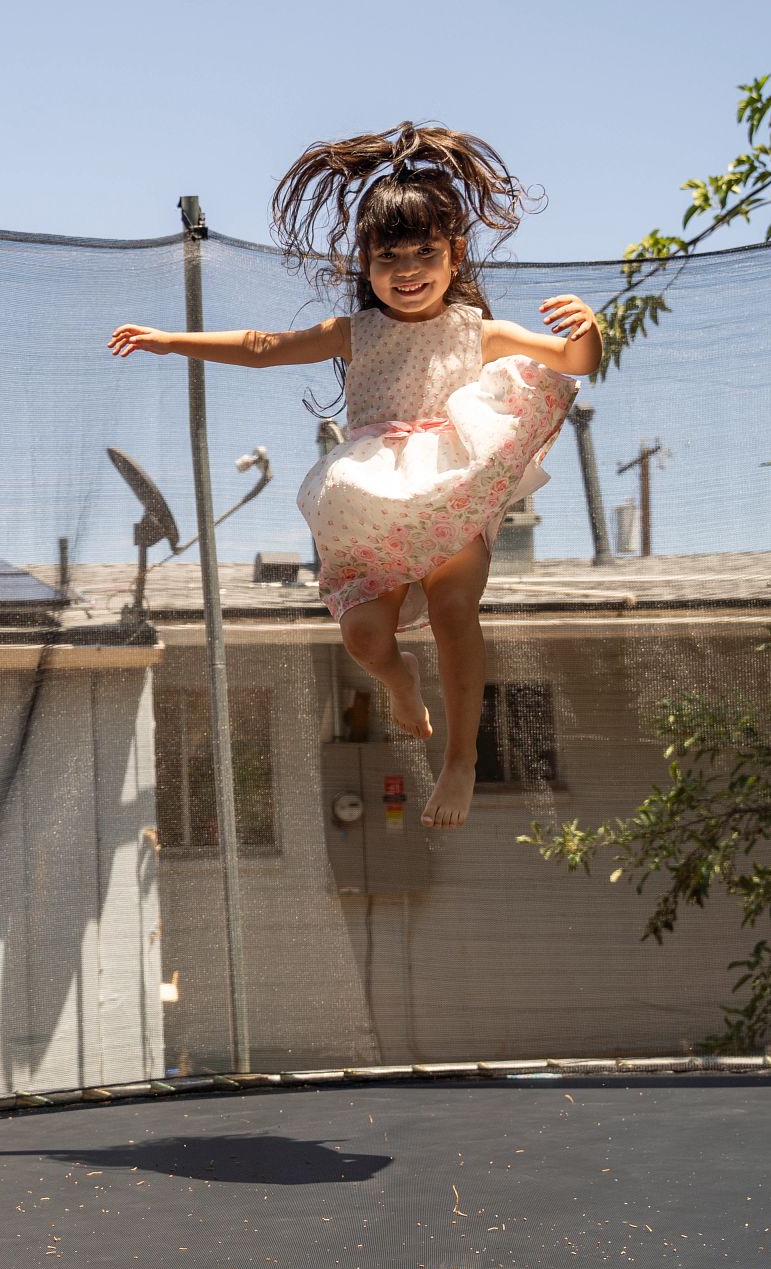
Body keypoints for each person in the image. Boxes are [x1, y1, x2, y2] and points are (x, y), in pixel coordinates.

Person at [110, 123, 599, 828]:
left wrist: (589, 329)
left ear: (454, 253)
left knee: (457, 610)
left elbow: (574, 363)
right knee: (366, 638)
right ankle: (400, 683)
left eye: (424, 252)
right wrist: (167, 340)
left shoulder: (475, 331)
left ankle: (460, 760)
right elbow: (261, 347)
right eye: (388, 255)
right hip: (376, 499)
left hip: (452, 493)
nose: (407, 269)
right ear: (365, 262)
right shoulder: (357, 333)